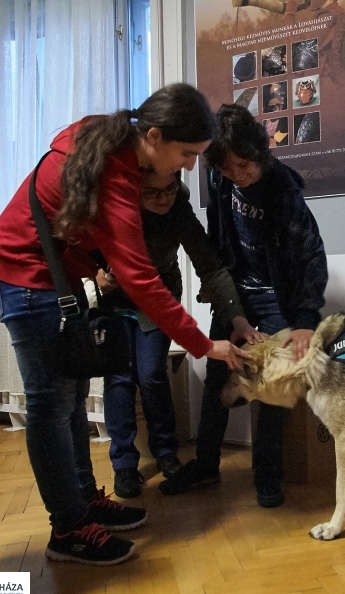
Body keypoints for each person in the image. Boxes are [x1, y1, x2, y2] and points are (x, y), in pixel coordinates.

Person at [0, 84, 251, 566]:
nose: (190, 166)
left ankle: (83, 504)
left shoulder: (107, 140)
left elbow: (74, 224)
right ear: (153, 136)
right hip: (25, 278)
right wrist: (203, 345)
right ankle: (68, 530)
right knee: (51, 406)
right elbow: (140, 278)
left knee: (68, 401)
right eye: (187, 153)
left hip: (47, 277)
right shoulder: (114, 172)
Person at [159, 104, 328, 508]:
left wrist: (305, 319)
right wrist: (225, 298)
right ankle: (205, 464)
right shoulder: (220, 179)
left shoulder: (283, 191)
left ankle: (267, 473)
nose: (238, 173)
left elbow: (312, 257)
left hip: (276, 299)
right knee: (219, 375)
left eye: (244, 164)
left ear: (261, 150)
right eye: (227, 167)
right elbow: (218, 240)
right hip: (235, 294)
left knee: (269, 386)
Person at [96, 170, 256, 499]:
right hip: (112, 301)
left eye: (170, 189)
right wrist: (94, 274)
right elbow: (80, 246)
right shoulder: (111, 202)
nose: (164, 198)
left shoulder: (179, 208)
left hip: (158, 296)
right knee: (119, 378)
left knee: (153, 373)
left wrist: (236, 316)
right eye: (154, 193)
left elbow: (209, 266)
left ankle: (166, 452)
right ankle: (124, 464)